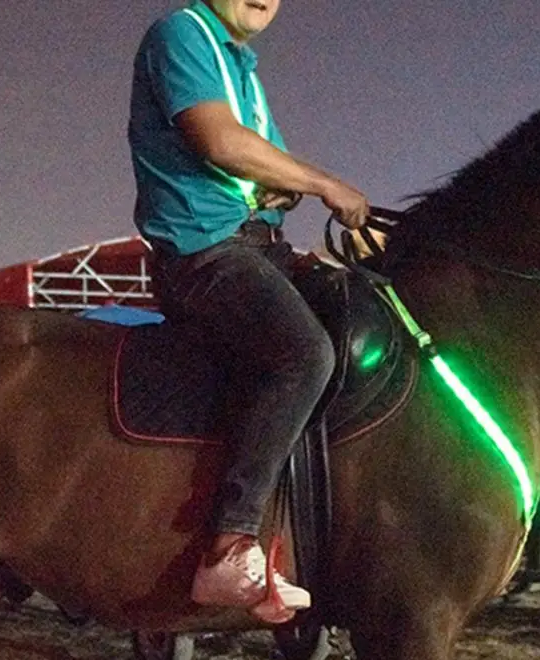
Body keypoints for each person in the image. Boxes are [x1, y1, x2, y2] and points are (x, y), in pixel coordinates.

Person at [128, 0, 369, 623]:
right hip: (203, 252)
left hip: (261, 248)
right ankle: (229, 544)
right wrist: (322, 185)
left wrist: (282, 183)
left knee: (363, 314)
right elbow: (217, 138)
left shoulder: (244, 71)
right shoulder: (181, 33)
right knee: (302, 352)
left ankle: (319, 535)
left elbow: (260, 162)